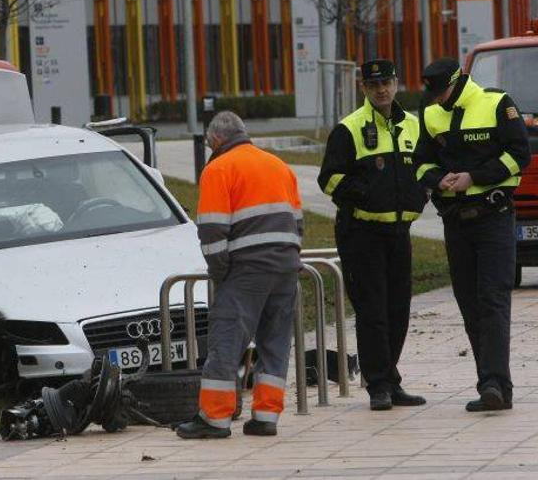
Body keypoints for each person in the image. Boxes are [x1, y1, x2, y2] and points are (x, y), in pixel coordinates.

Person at [176, 111, 303, 439]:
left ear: (216, 140)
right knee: (275, 343)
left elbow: (213, 232)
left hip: (247, 269)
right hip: (287, 267)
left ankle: (215, 418)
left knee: (227, 340)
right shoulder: (279, 166)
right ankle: (265, 417)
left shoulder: (218, 168)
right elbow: (298, 223)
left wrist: (220, 275)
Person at [414, 57, 530, 412]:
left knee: (492, 299)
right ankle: (491, 385)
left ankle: (494, 383)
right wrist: (439, 179)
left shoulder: (496, 103)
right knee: (469, 304)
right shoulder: (431, 113)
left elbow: (519, 156)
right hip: (455, 220)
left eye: (442, 91)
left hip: (493, 216)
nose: (438, 99)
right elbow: (420, 161)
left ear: (459, 81)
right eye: (433, 93)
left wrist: (474, 177)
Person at [317, 59, 428, 411]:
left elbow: (426, 168)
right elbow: (329, 179)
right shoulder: (349, 129)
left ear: (397, 83)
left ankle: (390, 379)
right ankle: (377, 385)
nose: (382, 90)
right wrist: (367, 194)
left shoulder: (413, 125)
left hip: (399, 231)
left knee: (398, 309)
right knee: (373, 311)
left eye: (387, 83)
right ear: (362, 88)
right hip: (361, 232)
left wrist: (420, 194)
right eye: (374, 84)